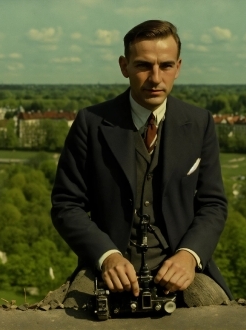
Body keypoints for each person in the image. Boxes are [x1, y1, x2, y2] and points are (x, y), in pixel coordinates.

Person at [51, 20, 232, 305]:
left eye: (166, 66)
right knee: (64, 316)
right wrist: (107, 256)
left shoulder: (199, 123)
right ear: (124, 66)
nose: (156, 78)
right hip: (105, 270)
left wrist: (189, 256)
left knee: (222, 315)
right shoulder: (90, 123)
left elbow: (213, 204)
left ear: (179, 67)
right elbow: (65, 204)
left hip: (182, 271)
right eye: (144, 65)